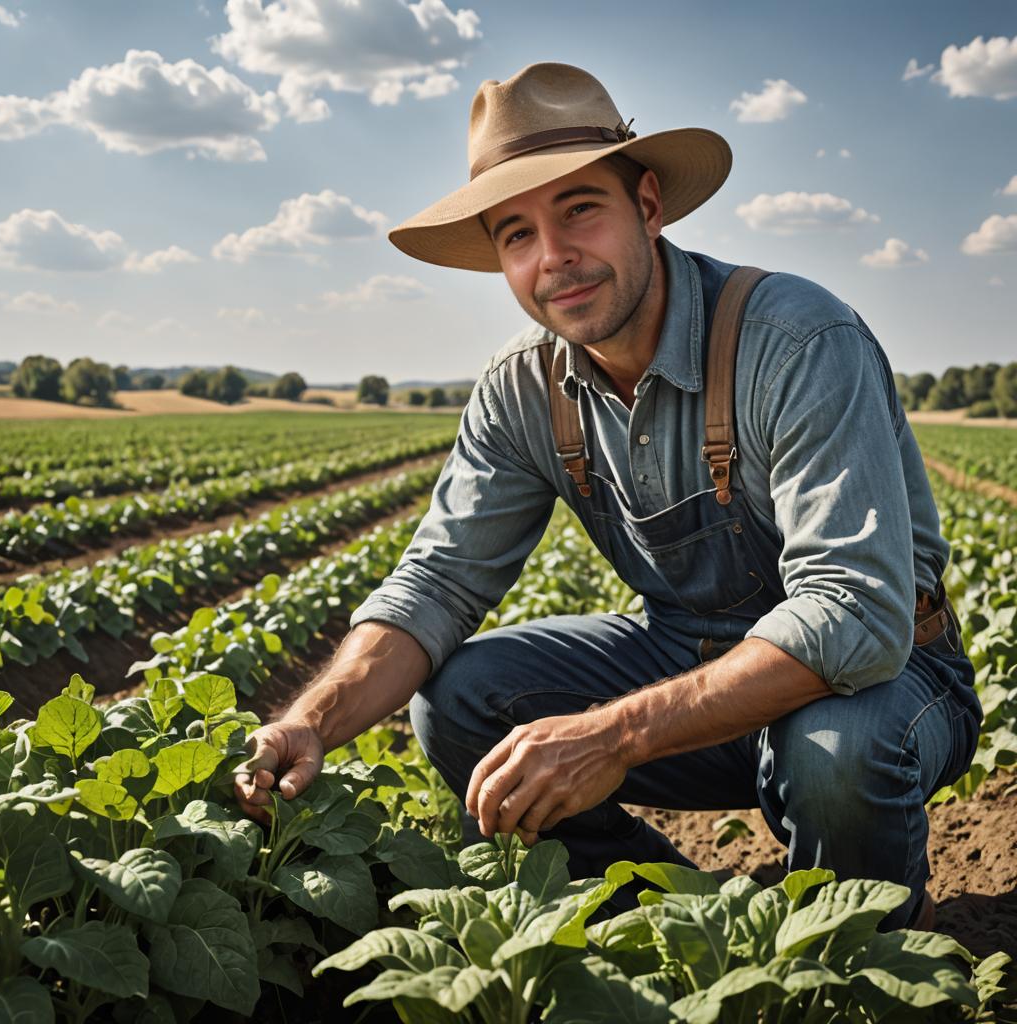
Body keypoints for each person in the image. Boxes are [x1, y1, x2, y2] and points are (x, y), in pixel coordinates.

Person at [234, 62, 981, 931]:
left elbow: (854, 612)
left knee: (837, 752)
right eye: (517, 234)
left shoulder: (795, 339)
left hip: (887, 680)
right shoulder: (524, 388)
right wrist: (312, 719)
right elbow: (436, 584)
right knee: (464, 698)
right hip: (690, 659)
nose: (552, 258)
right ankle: (671, 925)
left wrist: (611, 735)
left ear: (650, 207)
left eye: (579, 209)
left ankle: (850, 959)